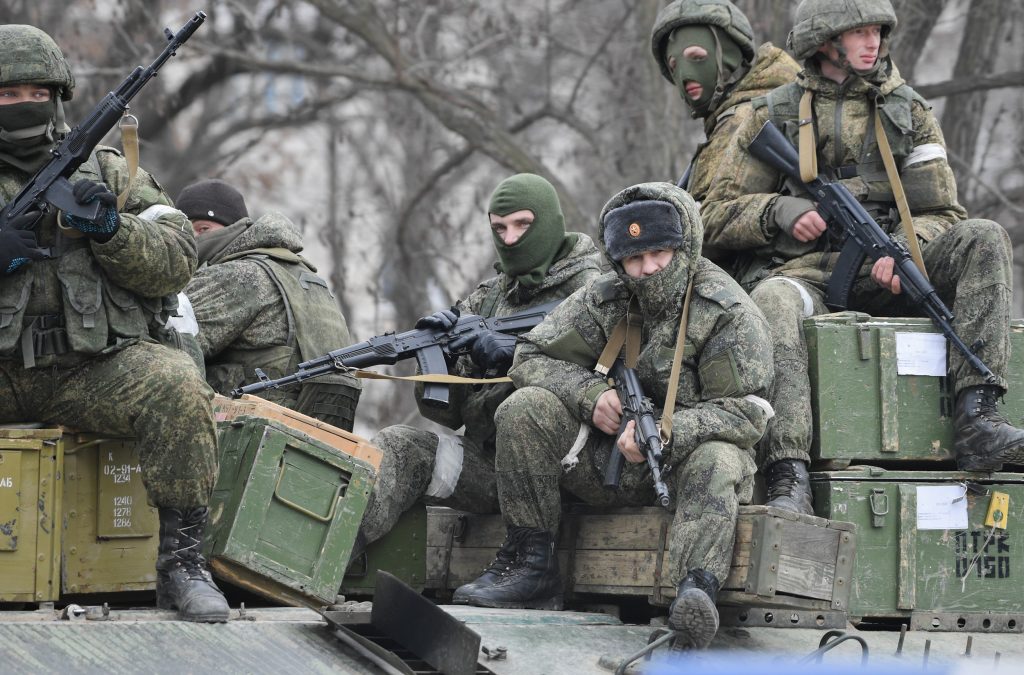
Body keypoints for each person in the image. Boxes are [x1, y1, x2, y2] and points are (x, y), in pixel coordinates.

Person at [701, 0, 1024, 476]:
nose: (873, 42)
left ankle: (979, 419)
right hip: (804, 274)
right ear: (824, 42)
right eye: (859, 33)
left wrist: (906, 248)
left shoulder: (908, 111)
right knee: (772, 299)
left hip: (890, 266)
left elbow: (942, 211)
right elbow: (710, 217)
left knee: (985, 237)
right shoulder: (772, 114)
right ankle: (788, 468)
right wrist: (779, 211)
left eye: (877, 32)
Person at [453, 182, 774, 650]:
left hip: (684, 467)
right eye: (634, 259)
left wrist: (669, 431)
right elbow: (530, 356)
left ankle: (694, 592)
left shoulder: (726, 311)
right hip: (605, 459)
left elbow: (749, 412)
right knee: (525, 407)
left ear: (683, 246)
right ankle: (531, 565)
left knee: (720, 459)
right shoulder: (606, 297)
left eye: (659, 254)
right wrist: (590, 396)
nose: (648, 269)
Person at [0, 25, 228, 621]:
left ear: (58, 96)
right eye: (7, 94)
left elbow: (178, 258)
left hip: (89, 369)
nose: (23, 105)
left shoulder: (108, 170)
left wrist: (112, 230)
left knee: (177, 386)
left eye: (36, 93)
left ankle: (183, 565)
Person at [356, 173, 605, 554]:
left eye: (523, 224)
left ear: (549, 222)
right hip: (490, 467)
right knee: (400, 446)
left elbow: (606, 382)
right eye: (499, 228)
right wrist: (441, 357)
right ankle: (326, 558)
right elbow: (447, 413)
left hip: (566, 472)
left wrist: (517, 351)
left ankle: (529, 563)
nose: (510, 239)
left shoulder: (593, 290)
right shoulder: (489, 297)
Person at [651, 0, 805, 513]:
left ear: (732, 57)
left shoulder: (748, 115)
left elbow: (706, 222)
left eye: (698, 58)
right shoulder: (737, 115)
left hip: (773, 276)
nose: (686, 76)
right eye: (674, 66)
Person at [179, 179, 361, 432]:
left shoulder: (238, 275)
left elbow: (169, 341)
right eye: (186, 232)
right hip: (318, 435)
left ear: (234, 228)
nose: (195, 239)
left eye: (203, 229)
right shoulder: (305, 278)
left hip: (252, 431)